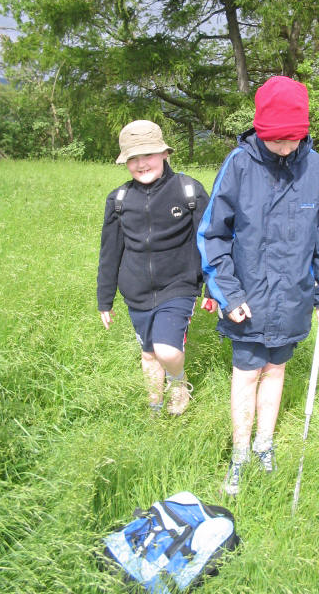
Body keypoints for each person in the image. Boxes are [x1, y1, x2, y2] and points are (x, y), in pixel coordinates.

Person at [197, 76, 319, 495]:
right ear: (261, 131)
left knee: (276, 369)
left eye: (293, 140)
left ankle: (265, 444)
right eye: (277, 141)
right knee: (246, 373)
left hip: (293, 296)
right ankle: (240, 453)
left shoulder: (313, 165)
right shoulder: (239, 165)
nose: (286, 148)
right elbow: (212, 237)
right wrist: (229, 294)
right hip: (248, 299)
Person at [97, 120, 217, 416]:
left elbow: (211, 240)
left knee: (167, 350)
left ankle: (178, 383)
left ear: (165, 154)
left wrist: (212, 288)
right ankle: (154, 408)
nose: (141, 164)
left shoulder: (188, 191)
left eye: (148, 155)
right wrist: (105, 299)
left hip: (179, 285)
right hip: (136, 291)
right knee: (149, 354)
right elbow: (110, 252)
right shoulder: (119, 200)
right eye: (133, 159)